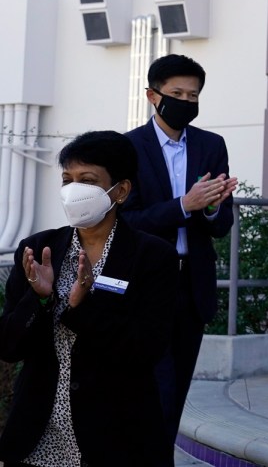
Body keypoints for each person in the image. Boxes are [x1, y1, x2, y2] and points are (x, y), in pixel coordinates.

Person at [0, 131, 178, 466]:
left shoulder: (152, 257)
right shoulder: (39, 249)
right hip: (38, 438)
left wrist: (81, 308)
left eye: (88, 180)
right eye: (67, 179)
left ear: (121, 190)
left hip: (116, 438)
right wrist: (38, 299)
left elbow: (145, 349)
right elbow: (9, 346)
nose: (73, 189)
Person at [122, 54, 237, 456]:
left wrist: (209, 208)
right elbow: (126, 221)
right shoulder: (128, 148)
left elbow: (222, 223)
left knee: (177, 391)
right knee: (157, 389)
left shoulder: (211, 145)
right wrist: (184, 205)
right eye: (177, 94)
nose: (186, 101)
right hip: (146, 286)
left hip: (192, 287)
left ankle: (159, 456)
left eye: (194, 94)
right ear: (153, 96)